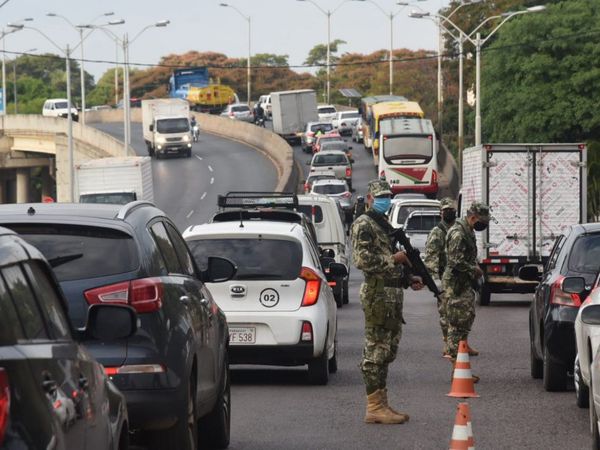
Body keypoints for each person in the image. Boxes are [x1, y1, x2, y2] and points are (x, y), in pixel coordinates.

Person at [351, 179, 424, 425]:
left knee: (388, 350)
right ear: (370, 198)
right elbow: (363, 260)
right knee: (375, 351)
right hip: (377, 295)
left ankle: (382, 403)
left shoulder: (383, 224)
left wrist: (408, 278)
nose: (386, 200)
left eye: (388, 196)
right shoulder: (364, 224)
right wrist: (396, 258)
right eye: (381, 196)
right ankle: (373, 407)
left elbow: (390, 266)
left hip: (391, 295)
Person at [443, 201, 490, 378]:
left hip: (463, 284)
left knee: (465, 320)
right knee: (457, 324)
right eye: (482, 221)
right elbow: (455, 261)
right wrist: (473, 269)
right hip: (456, 285)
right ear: (472, 217)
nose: (483, 225)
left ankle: (460, 367)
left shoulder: (467, 231)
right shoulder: (458, 233)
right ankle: (458, 369)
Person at [423, 197, 457, 358]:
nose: (449, 212)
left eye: (452, 210)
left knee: (462, 313)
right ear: (441, 213)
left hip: (459, 278)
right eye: (446, 210)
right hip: (444, 279)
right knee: (445, 314)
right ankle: (447, 344)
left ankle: (460, 343)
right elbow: (431, 257)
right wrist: (435, 281)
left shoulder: (458, 229)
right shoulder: (437, 232)